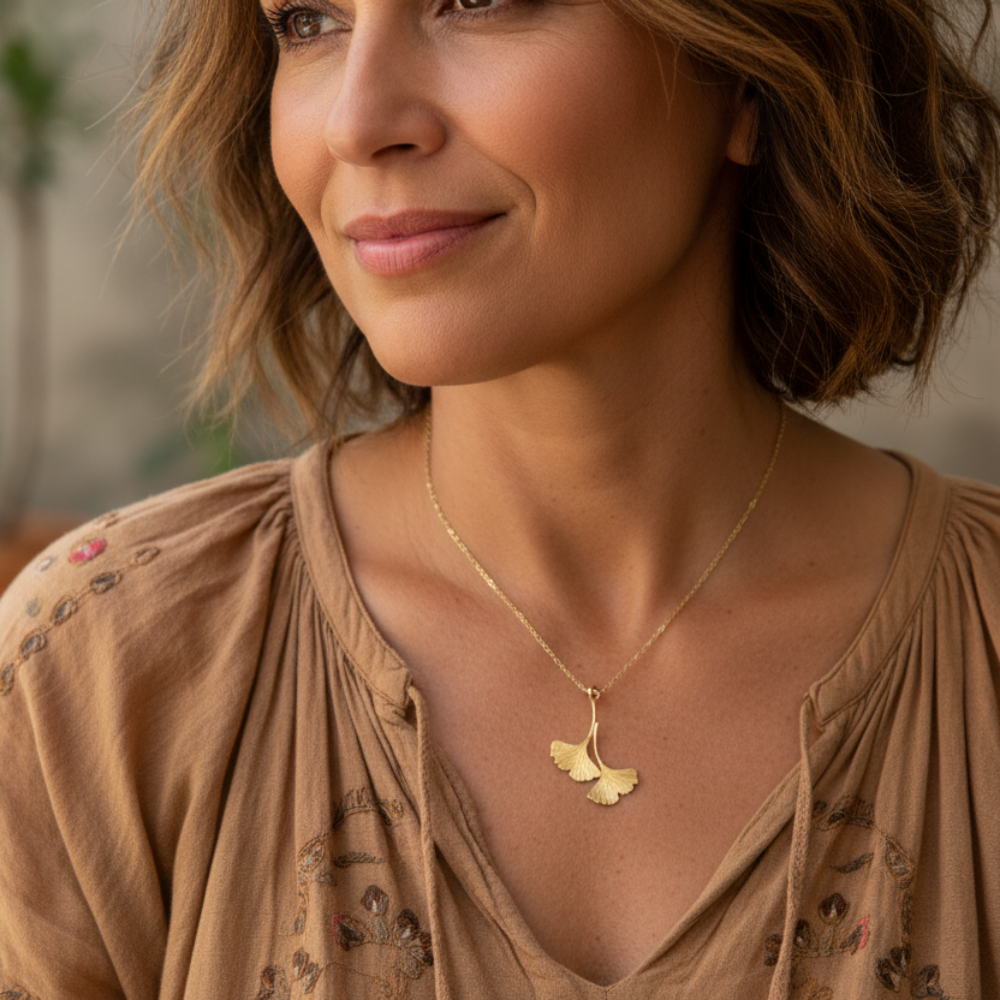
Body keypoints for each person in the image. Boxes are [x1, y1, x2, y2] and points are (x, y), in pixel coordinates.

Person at [1, 0, 999, 995]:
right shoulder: (105, 669)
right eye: (305, 21)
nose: (357, 120)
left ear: (747, 73)